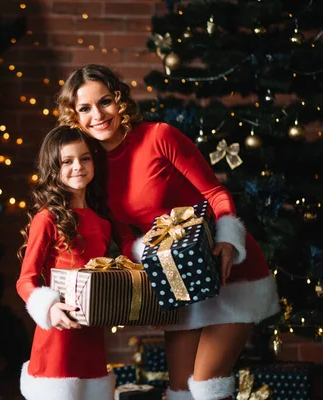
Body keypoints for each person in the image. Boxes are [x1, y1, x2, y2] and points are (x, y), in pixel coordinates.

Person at [56, 64, 280, 400]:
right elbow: (128, 235)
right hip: (175, 278)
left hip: (227, 267)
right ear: (74, 115)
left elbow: (215, 193)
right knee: (179, 391)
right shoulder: (92, 168)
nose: (97, 115)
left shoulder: (159, 136)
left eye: (104, 102)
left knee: (207, 387)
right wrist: (153, 274)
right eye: (85, 108)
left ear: (120, 100)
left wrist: (228, 240)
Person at [15, 125, 115, 400]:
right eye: (67, 161)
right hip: (58, 335)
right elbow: (25, 280)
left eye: (85, 158)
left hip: (92, 336)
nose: (78, 167)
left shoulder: (103, 224)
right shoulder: (46, 219)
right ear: (53, 169)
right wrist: (49, 308)